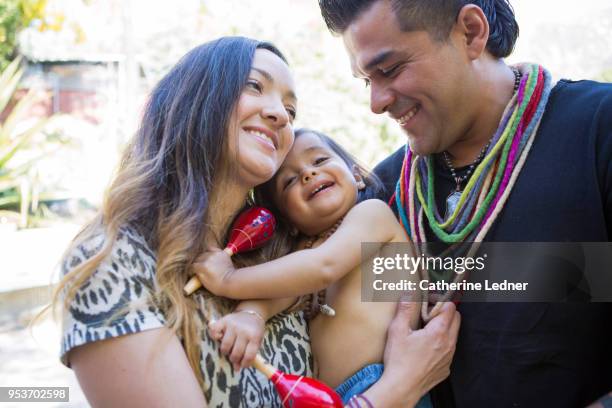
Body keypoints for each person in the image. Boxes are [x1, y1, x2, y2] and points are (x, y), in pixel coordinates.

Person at [52, 36, 460, 407]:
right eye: (254, 86)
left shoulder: (273, 251)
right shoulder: (112, 261)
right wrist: (396, 390)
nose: (282, 116)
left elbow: (335, 273)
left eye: (290, 108)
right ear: (199, 98)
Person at [317, 0, 612, 407]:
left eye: (389, 70)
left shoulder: (598, 130)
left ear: (471, 32)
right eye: (367, 80)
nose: (377, 102)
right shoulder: (385, 194)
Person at [196, 128, 435, 407]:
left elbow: (324, 267)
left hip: (383, 382)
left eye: (319, 161)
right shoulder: (306, 253)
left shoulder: (372, 215)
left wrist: (228, 279)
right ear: (289, 220)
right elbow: (282, 292)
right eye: (289, 181)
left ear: (357, 176)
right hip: (332, 398)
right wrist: (251, 314)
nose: (308, 174)